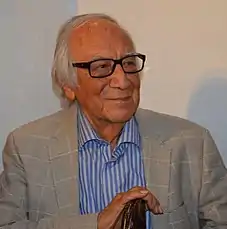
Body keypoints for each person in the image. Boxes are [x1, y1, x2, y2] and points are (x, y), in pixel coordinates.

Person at [0, 13, 227, 229]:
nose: (123, 80)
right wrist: (96, 224)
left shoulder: (193, 143)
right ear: (68, 86)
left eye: (128, 63)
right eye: (101, 67)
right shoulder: (26, 148)